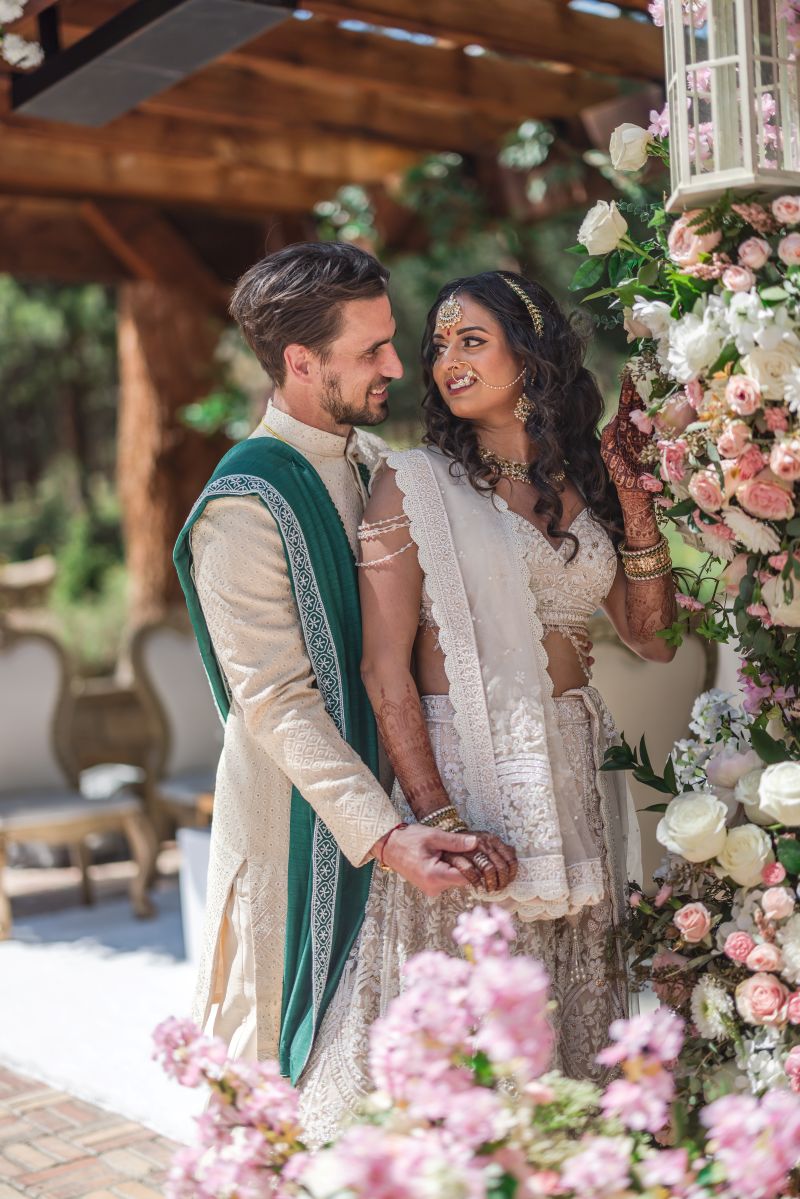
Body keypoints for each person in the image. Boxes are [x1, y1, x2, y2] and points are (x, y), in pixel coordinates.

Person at [296, 270, 676, 1142]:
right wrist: (440, 812)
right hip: (465, 770)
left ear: (529, 352)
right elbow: (385, 671)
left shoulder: (582, 486)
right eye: (438, 346)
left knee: (567, 1015)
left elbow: (652, 637)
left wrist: (635, 496)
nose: (445, 361)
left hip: (575, 765)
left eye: (472, 340)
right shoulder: (417, 482)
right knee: (470, 1029)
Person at [173, 244, 497, 1084]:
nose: (397, 364)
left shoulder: (370, 464)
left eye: (392, 341)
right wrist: (386, 837)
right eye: (370, 351)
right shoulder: (242, 507)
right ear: (299, 361)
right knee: (288, 1099)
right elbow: (276, 702)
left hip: (394, 832)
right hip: (294, 838)